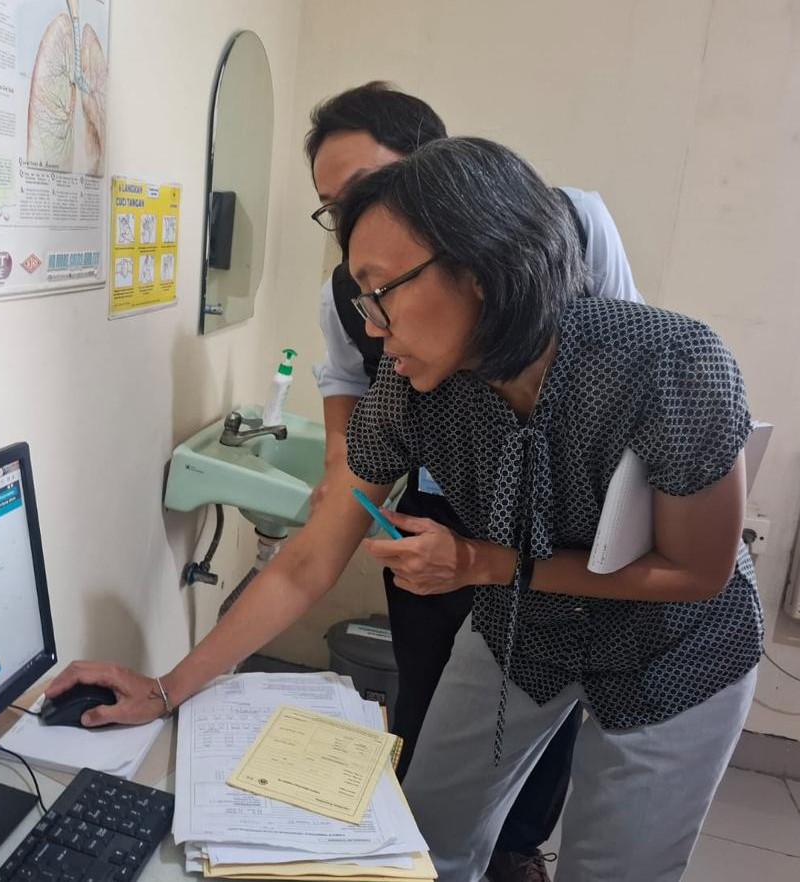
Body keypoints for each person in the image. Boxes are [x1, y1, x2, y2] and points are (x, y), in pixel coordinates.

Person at [49, 137, 761, 882]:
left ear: (482, 271)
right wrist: (167, 689)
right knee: (422, 839)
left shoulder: (671, 364)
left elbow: (697, 571)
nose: (372, 326)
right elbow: (307, 560)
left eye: (381, 288)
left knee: (614, 869)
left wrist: (481, 563)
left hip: (676, 644)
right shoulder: (409, 388)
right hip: (522, 629)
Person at [309, 82, 641, 882]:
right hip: (440, 502)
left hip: (568, 522)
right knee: (437, 695)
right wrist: (342, 500)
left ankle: (520, 849)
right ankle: (426, 841)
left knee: (560, 713)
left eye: (361, 191)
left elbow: (621, 375)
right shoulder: (359, 305)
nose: (376, 328)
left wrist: (501, 557)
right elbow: (346, 425)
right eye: (330, 207)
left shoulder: (580, 236)